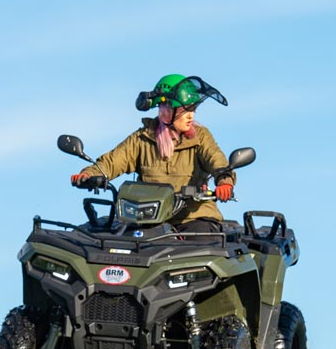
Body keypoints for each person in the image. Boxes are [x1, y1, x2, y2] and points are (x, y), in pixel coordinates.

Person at [71, 73, 234, 233]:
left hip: (193, 218)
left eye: (193, 109)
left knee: (203, 248)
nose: (191, 115)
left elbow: (216, 159)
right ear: (166, 109)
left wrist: (224, 181)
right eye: (185, 109)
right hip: (148, 220)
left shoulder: (201, 137)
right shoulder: (142, 139)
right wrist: (88, 175)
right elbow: (112, 162)